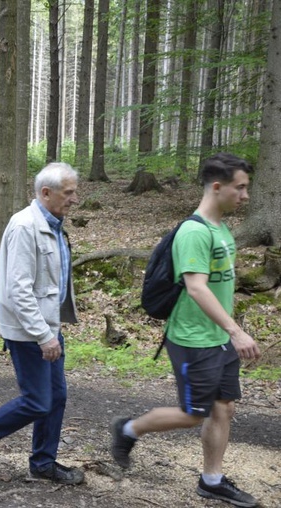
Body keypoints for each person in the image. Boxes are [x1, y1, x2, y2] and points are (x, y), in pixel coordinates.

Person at [110, 153, 261, 507]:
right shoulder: (194, 232)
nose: (246, 195)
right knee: (193, 414)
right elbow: (196, 287)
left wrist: (229, 331)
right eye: (240, 188)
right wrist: (237, 331)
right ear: (217, 187)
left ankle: (211, 480)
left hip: (219, 337)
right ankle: (128, 428)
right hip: (194, 339)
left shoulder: (221, 229)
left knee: (223, 407)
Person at [0, 162, 83, 485]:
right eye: (68, 193)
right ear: (46, 193)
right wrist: (44, 336)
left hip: (46, 327)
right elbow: (18, 290)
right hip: (29, 331)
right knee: (38, 399)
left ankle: (43, 462)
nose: (74, 199)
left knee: (56, 396)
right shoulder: (25, 226)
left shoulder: (54, 223)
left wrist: (53, 327)